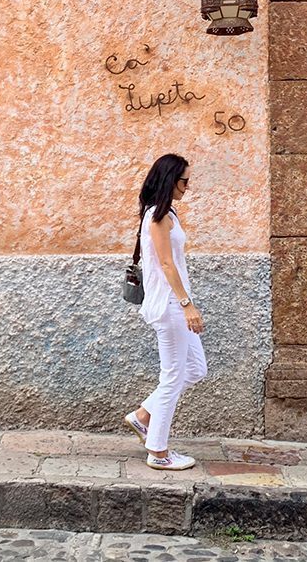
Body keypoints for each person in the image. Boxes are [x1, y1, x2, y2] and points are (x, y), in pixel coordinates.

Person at [123, 154, 207, 470]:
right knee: (172, 376)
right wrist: (187, 305)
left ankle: (143, 416)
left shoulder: (168, 212)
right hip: (171, 305)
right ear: (170, 179)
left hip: (176, 303)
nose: (188, 186)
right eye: (184, 180)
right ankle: (158, 451)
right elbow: (166, 264)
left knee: (196, 369)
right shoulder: (157, 216)